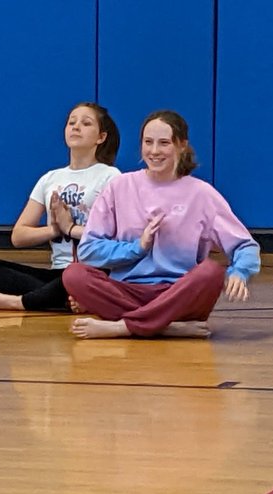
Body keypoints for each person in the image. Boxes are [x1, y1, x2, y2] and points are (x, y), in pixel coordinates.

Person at [63, 110, 260, 339]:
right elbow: (88, 250)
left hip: (179, 294)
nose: (154, 151)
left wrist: (240, 272)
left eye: (164, 143)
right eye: (148, 142)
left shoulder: (202, 194)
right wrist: (137, 248)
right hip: (127, 292)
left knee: (211, 272)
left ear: (182, 146)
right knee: (74, 275)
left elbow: (246, 246)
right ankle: (166, 326)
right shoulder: (119, 187)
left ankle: (123, 327)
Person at [0, 102, 121, 311]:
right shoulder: (50, 178)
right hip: (58, 272)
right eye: (72, 122)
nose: (76, 127)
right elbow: (18, 236)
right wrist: (55, 229)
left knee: (78, 277)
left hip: (93, 270)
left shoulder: (110, 176)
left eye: (86, 123)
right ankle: (68, 301)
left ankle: (21, 302)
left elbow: (113, 235)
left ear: (101, 137)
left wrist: (71, 227)